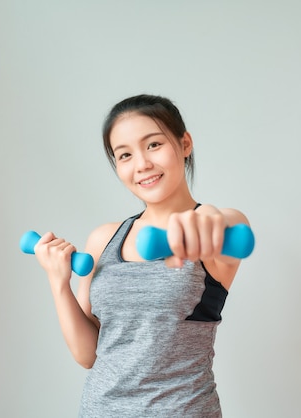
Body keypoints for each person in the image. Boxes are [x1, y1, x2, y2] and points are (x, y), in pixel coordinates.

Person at [33, 94, 250, 417]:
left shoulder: (219, 223)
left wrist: (201, 224)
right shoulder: (104, 238)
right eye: (124, 155)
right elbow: (88, 354)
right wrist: (58, 281)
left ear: (185, 143)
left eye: (153, 145)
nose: (142, 164)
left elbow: (226, 225)